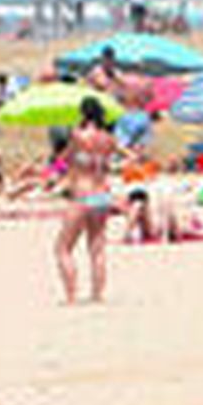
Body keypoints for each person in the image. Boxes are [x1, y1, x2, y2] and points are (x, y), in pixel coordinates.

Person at [55, 97, 124, 303]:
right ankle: (97, 295)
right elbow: (114, 160)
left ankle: (71, 296)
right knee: (97, 248)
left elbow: (63, 160)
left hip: (82, 194)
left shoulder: (78, 135)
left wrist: (57, 169)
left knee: (63, 248)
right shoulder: (108, 139)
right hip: (102, 194)